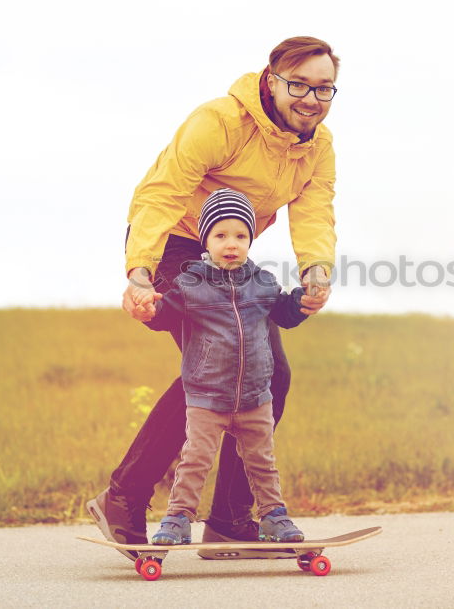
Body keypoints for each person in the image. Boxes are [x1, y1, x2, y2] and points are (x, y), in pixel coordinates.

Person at [86, 36, 339, 560]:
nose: (312, 100)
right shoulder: (221, 121)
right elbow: (162, 193)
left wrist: (316, 270)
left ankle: (229, 520)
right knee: (215, 370)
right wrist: (140, 273)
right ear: (271, 80)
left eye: (324, 89)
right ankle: (123, 499)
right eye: (300, 85)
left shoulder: (316, 144)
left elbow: (314, 210)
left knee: (270, 374)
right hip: (176, 245)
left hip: (230, 253)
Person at [141, 189, 307, 546]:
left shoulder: (262, 283)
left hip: (254, 397)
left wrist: (304, 302)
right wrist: (147, 312)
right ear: (206, 240)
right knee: (195, 460)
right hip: (207, 397)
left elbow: (284, 314)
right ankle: (178, 519)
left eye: (240, 235)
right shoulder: (190, 285)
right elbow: (162, 316)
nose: (231, 243)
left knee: (262, 463)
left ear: (250, 239)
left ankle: (273, 517)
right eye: (221, 235)